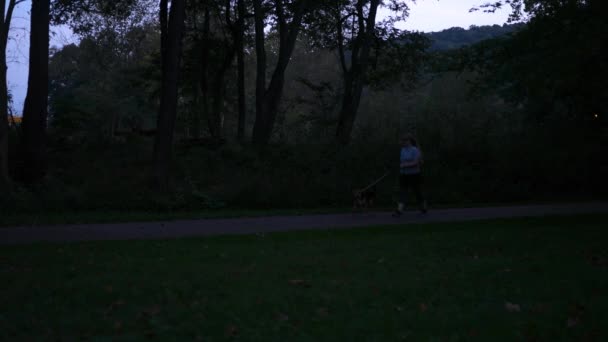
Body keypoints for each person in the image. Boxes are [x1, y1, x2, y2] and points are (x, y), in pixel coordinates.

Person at [393, 134, 427, 216]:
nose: (403, 142)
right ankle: (399, 210)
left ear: (409, 141)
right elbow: (402, 161)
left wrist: (405, 165)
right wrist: (401, 166)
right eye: (403, 141)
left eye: (405, 141)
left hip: (414, 174)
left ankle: (423, 207)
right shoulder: (402, 150)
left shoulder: (415, 150)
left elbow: (416, 163)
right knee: (402, 192)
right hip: (404, 174)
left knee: (417, 191)